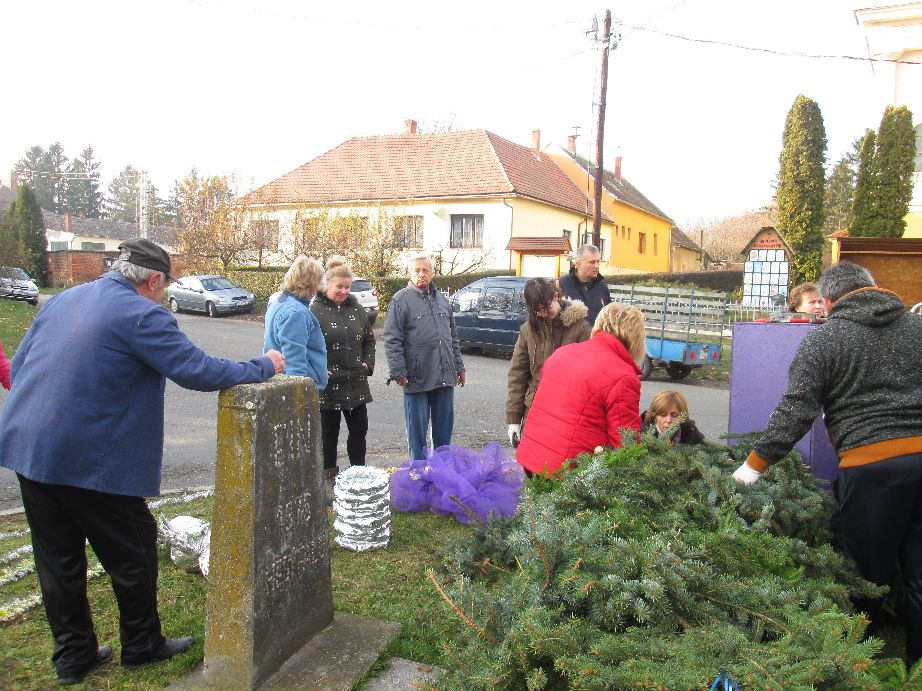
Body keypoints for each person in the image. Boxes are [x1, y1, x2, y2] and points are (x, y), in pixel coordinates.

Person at [0, 239, 286, 685]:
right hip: (87, 459)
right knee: (133, 548)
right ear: (153, 280)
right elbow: (197, 370)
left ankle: (73, 656)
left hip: (29, 447)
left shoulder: (65, 298)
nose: (164, 294)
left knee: (57, 558)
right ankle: (141, 644)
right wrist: (262, 365)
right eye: (164, 285)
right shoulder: (142, 314)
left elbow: (18, 369)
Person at [732, 261, 922, 668]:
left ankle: (858, 665)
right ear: (874, 287)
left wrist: (751, 467)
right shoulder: (917, 328)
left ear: (830, 301)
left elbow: (796, 410)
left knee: (862, 577)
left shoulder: (826, 339)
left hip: (873, 467)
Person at [515, 302, 646, 476]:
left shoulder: (563, 353)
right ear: (636, 338)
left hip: (533, 457)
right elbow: (625, 442)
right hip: (569, 472)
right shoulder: (623, 376)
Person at [384, 254, 465, 461]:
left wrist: (459, 366)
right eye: (417, 270)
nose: (421, 274)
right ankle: (418, 476)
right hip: (416, 377)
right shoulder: (400, 300)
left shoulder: (442, 300)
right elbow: (392, 339)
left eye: (425, 270)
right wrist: (398, 372)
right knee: (417, 434)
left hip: (445, 376)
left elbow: (453, 337)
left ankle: (442, 472)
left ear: (432, 273)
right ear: (410, 273)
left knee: (443, 434)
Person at [310, 256, 375, 489]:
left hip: (356, 383)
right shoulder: (313, 310)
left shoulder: (357, 309)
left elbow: (369, 339)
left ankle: (358, 475)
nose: (344, 291)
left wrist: (368, 363)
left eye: (347, 287)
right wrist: (317, 369)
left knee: (359, 431)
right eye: (339, 286)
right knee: (329, 435)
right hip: (327, 385)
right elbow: (306, 346)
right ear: (327, 284)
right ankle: (328, 479)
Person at [506, 278, 590, 446]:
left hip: (567, 411)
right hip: (534, 409)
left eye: (546, 308)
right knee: (531, 465)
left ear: (556, 296)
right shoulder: (528, 330)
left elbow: (587, 378)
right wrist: (514, 419)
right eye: (538, 311)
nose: (544, 314)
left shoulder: (581, 329)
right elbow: (517, 375)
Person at [263, 255, 329, 390]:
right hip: (294, 388)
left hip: (277, 379)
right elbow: (294, 361)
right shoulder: (296, 312)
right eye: (318, 281)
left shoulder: (279, 302)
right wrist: (299, 395)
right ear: (312, 283)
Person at [558, 244, 611, 323]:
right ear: (578, 264)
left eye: (597, 262)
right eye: (592, 262)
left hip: (596, 334)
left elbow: (609, 316)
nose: (596, 266)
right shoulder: (562, 284)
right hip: (571, 335)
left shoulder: (602, 286)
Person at [641, 391, 705, 445]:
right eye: (663, 415)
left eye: (674, 415)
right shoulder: (641, 435)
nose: (668, 420)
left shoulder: (691, 434)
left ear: (682, 416)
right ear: (654, 416)